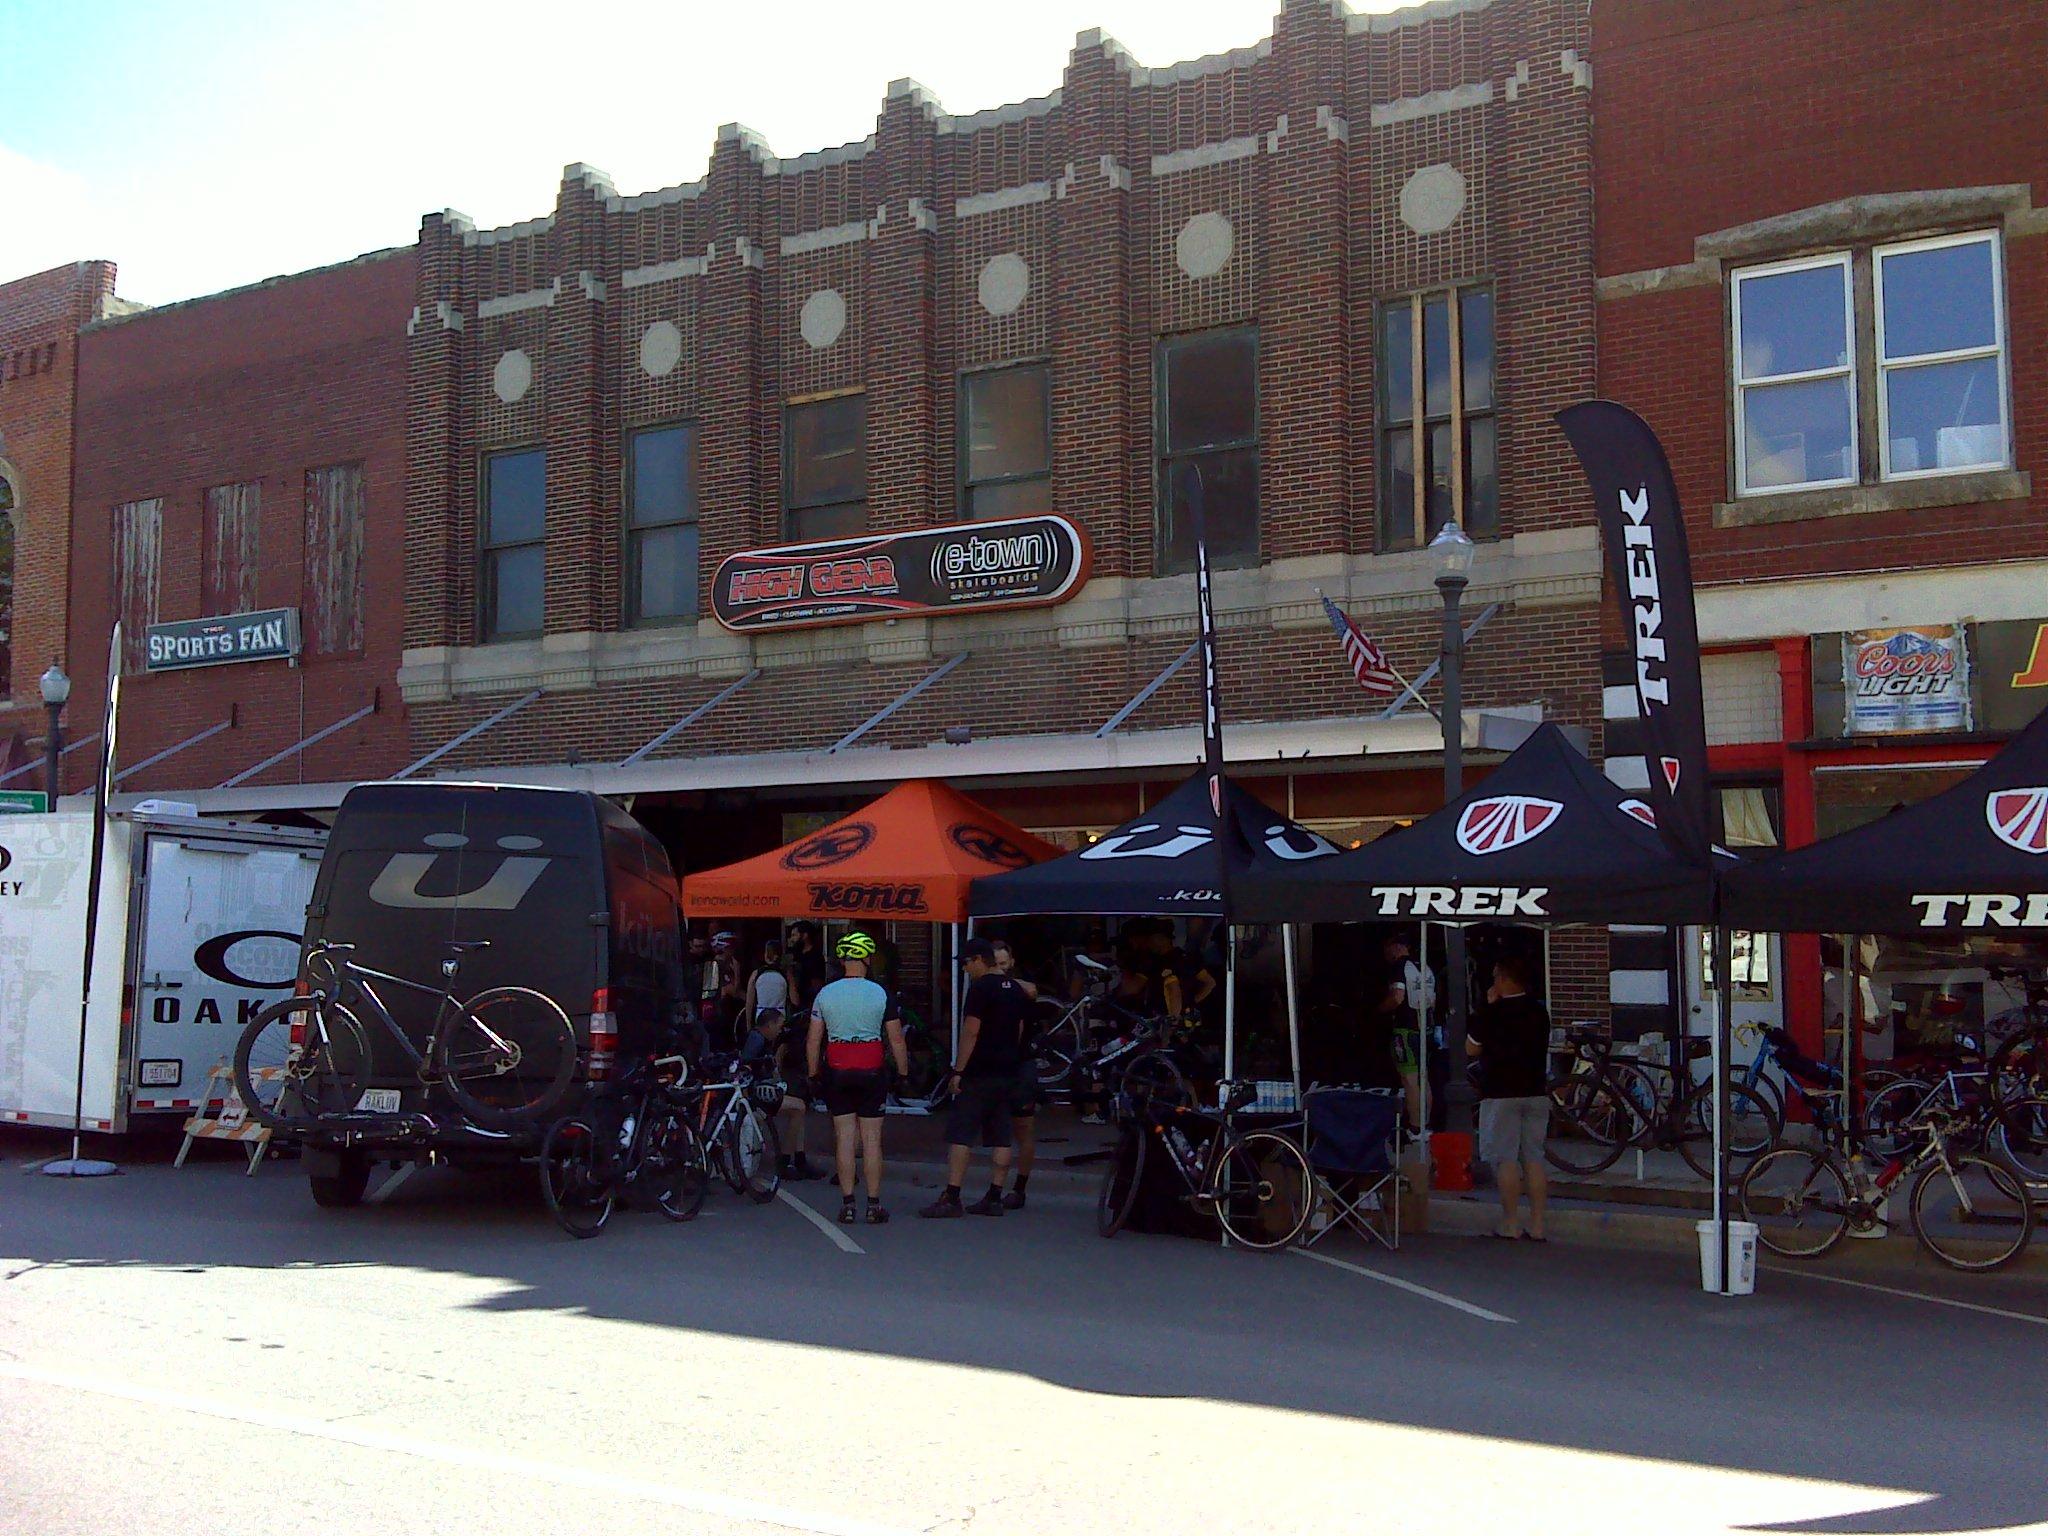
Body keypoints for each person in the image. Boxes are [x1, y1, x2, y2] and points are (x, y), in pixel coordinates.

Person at [921, 938, 1029, 1218]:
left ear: (980, 959)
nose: (966, 969)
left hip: (980, 1070)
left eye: (967, 963)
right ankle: (994, 1196)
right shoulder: (1015, 989)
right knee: (1002, 1136)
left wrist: (958, 1070)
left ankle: (952, 1195)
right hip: (1008, 1070)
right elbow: (1019, 1028)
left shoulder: (981, 988)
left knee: (961, 1134)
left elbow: (971, 1031)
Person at [806, 931, 909, 1224]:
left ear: (842, 959)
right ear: (866, 958)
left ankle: (848, 1203)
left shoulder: (825, 994)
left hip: (837, 1067)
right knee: (872, 1139)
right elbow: (896, 1039)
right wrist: (902, 1072)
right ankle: (873, 1205)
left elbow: (814, 1040)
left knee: (845, 1137)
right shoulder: (880, 992)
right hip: (871, 1068)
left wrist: (813, 1073)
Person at [1466, 952, 1552, 1242]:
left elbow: (1471, 1048)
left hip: (1502, 1092)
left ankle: (1511, 1222)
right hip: (1536, 1089)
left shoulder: (1493, 1013)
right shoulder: (1540, 1011)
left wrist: (1486, 1007)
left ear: (1502, 979)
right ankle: (1538, 1224)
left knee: (1506, 1160)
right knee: (1534, 1158)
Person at [740, 1003, 818, 1182]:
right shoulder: (757, 1040)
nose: (781, 1031)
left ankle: (795, 1157)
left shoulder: (760, 1039)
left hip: (760, 1092)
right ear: (769, 1025)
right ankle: (785, 1159)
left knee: (798, 1106)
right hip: (757, 1095)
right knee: (798, 1108)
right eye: (779, 1026)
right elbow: (745, 1065)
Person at [992, 939, 1042, 1210]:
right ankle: (995, 1188)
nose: (1000, 969)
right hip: (998, 1066)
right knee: (1000, 1128)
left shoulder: (1021, 986)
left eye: (1004, 963)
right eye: (995, 964)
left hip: (1021, 1064)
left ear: (1011, 962)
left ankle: (1020, 1188)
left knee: (1024, 1127)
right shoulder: (985, 988)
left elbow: (1033, 991)